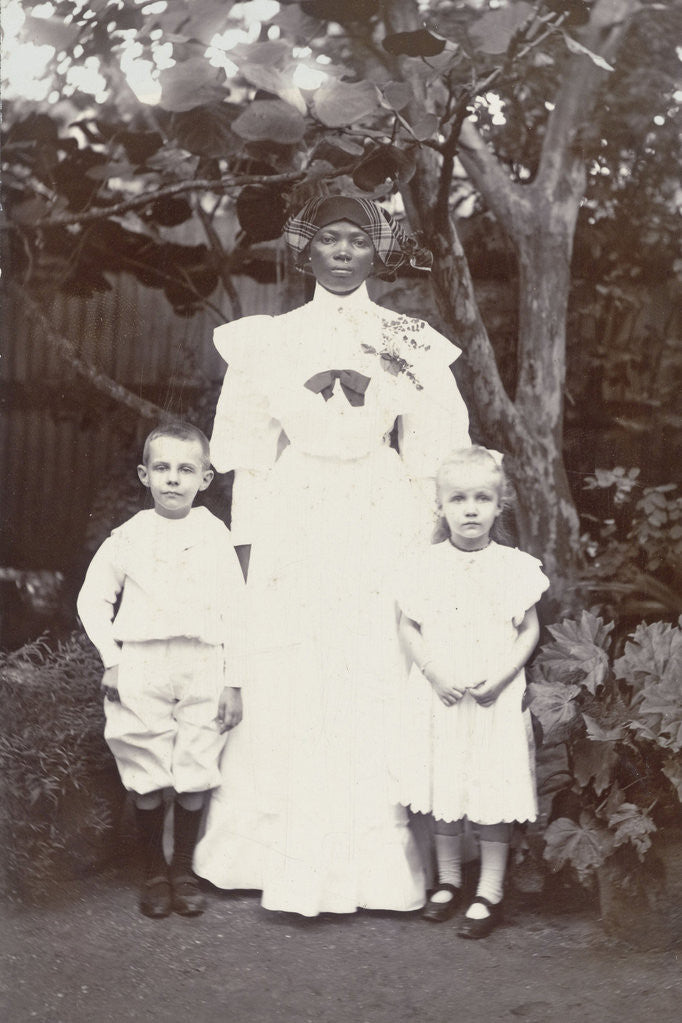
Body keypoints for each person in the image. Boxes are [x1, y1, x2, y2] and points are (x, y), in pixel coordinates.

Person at [194, 195, 471, 916]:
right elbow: (251, 460)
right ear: (306, 249)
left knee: (370, 663)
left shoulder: (407, 338)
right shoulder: (270, 340)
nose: (343, 253)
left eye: (357, 240)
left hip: (379, 511)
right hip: (297, 509)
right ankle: (267, 854)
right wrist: (249, 549)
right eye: (329, 239)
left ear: (378, 252)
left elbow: (431, 455)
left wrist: (424, 546)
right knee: (290, 667)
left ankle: (375, 867)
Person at [77, 423, 246, 919]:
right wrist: (112, 659)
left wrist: (233, 681)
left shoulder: (215, 536)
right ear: (144, 474)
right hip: (142, 662)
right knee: (143, 762)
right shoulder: (128, 537)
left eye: (186, 469)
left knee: (197, 763)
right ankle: (153, 871)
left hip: (202, 661)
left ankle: (184, 871)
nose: (173, 479)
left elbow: (238, 611)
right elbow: (92, 599)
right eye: (163, 468)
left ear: (205, 478)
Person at [395, 446, 549, 938]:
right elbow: (409, 626)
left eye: (482, 498)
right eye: (458, 499)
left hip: (492, 696)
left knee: (491, 785)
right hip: (443, 693)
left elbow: (528, 629)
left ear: (499, 506)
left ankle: (491, 890)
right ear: (440, 506)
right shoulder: (425, 565)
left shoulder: (514, 566)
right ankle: (449, 881)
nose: (470, 510)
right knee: (447, 781)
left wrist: (503, 677)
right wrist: (434, 673)